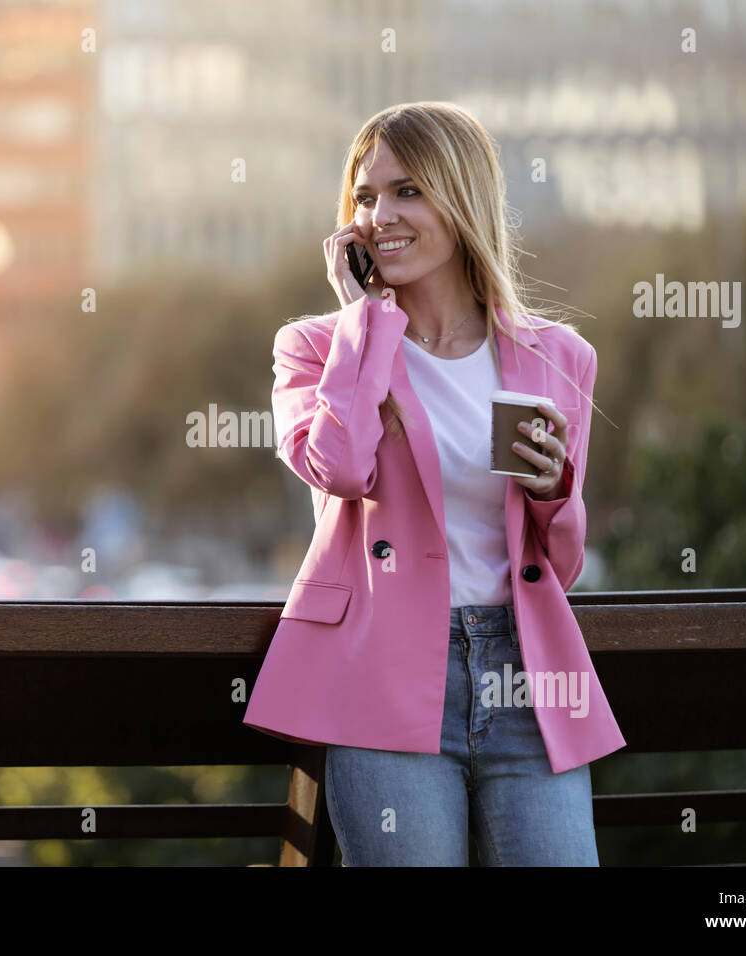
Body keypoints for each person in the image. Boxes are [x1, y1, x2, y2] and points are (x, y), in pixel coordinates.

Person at [242, 101, 626, 866]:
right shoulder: (316, 348)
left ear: (462, 198)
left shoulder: (557, 357)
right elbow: (341, 469)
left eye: (408, 190)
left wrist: (555, 494)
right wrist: (364, 323)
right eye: (366, 195)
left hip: (529, 684)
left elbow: (564, 563)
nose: (381, 214)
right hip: (382, 683)